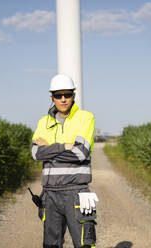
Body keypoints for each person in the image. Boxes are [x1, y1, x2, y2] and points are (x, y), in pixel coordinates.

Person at [31, 74, 98, 248]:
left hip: (76, 193)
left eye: (67, 95)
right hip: (50, 194)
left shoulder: (85, 118)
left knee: (84, 245)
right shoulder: (43, 122)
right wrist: (64, 147)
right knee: (51, 245)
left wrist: (49, 148)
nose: (63, 99)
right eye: (58, 95)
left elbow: (80, 153)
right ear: (51, 97)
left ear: (74, 95)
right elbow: (36, 153)